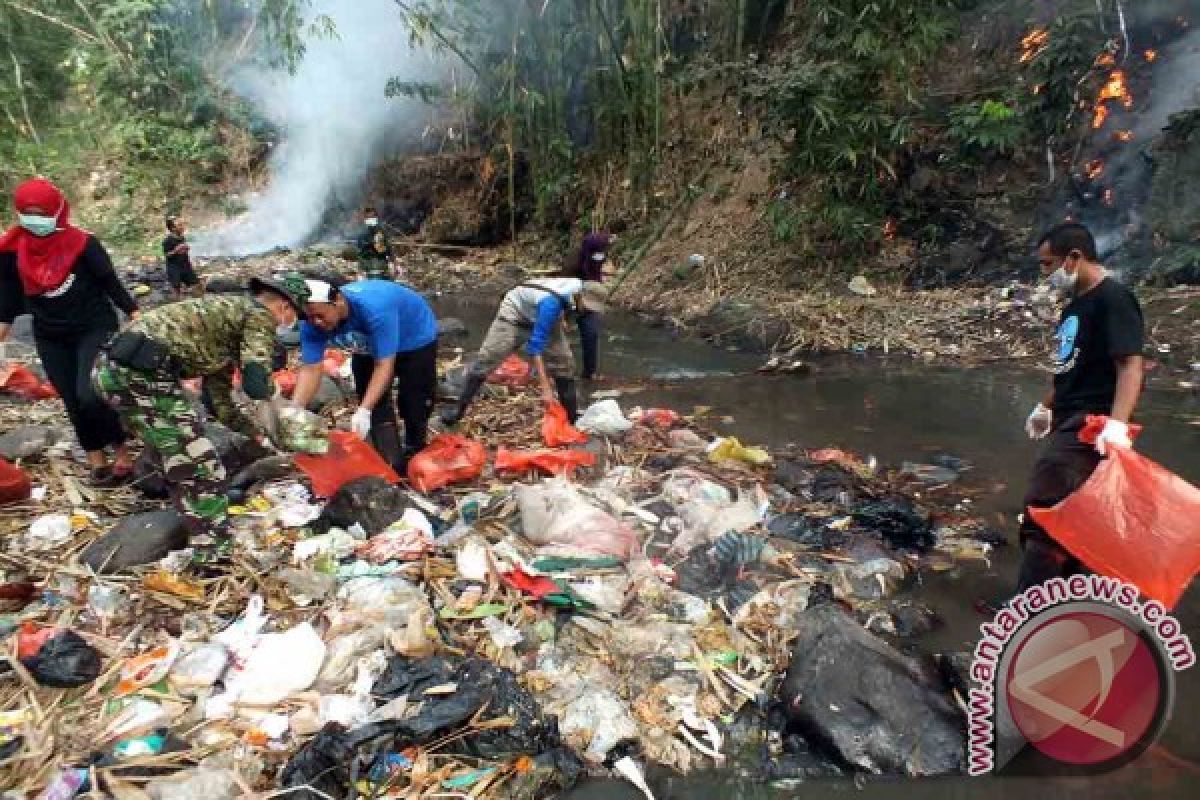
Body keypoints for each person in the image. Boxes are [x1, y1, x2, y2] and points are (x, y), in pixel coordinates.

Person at [92, 274, 311, 538]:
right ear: (285, 307)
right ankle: (212, 549)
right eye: (294, 317)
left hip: (109, 373)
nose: (288, 325)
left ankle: (190, 513)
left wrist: (256, 434)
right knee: (199, 462)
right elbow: (256, 382)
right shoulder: (258, 314)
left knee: (174, 451)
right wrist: (283, 414)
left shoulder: (224, 327)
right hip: (140, 374)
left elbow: (218, 404)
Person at [1017, 222, 1145, 591]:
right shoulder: (1074, 308)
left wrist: (1117, 425)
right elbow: (1071, 368)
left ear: (1074, 258)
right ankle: (1070, 602)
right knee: (1075, 518)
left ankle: (1028, 611)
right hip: (1067, 418)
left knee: (1045, 507)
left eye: (1048, 264)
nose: (1045, 274)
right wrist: (1044, 406)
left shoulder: (1113, 299)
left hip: (1093, 424)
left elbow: (1129, 364)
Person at [0, 177, 139, 485]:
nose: (35, 219)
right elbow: (7, 301)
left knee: (89, 393)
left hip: (94, 326)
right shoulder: (12, 252)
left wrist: (135, 314)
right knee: (71, 399)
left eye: (41, 212)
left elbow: (110, 284)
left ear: (58, 210)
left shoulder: (83, 244)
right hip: (51, 335)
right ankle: (96, 460)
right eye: (28, 212)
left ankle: (121, 449)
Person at [292, 278, 438, 471]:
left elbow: (384, 365)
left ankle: (415, 446)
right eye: (309, 318)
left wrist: (363, 411)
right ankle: (392, 461)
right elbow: (311, 368)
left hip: (413, 337)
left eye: (320, 316)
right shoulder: (311, 322)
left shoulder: (374, 309)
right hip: (366, 347)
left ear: (338, 301)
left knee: (415, 401)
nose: (315, 323)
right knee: (374, 403)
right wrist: (293, 411)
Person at [441, 278, 609, 427]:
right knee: (487, 360)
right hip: (515, 316)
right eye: (587, 306)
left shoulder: (577, 288)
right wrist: (546, 389)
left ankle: (571, 420)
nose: (587, 311)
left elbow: (566, 305)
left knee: (563, 363)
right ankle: (458, 410)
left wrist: (563, 318)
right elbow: (535, 347)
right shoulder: (552, 302)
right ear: (580, 295)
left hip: (542, 311)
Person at [565, 232, 614, 380]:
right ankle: (560, 372)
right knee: (558, 335)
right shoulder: (574, 262)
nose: (601, 253)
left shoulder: (598, 256)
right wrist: (568, 314)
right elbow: (566, 285)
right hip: (572, 295)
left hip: (591, 297)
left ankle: (589, 373)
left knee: (591, 334)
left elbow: (597, 272)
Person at [162, 215, 200, 298]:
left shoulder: (181, 237)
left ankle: (198, 303)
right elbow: (166, 254)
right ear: (173, 228)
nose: (183, 227)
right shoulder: (167, 240)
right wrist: (176, 250)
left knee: (196, 285)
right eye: (179, 225)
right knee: (176, 289)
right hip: (174, 268)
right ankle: (177, 305)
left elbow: (183, 250)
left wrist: (186, 249)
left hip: (185, 265)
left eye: (182, 224)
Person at [354, 205, 394, 280]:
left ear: (376, 218)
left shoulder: (381, 231)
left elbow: (387, 247)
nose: (370, 219)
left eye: (372, 217)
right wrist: (360, 269)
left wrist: (391, 261)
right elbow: (360, 251)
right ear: (365, 219)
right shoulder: (362, 233)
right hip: (368, 265)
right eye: (368, 218)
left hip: (381, 264)